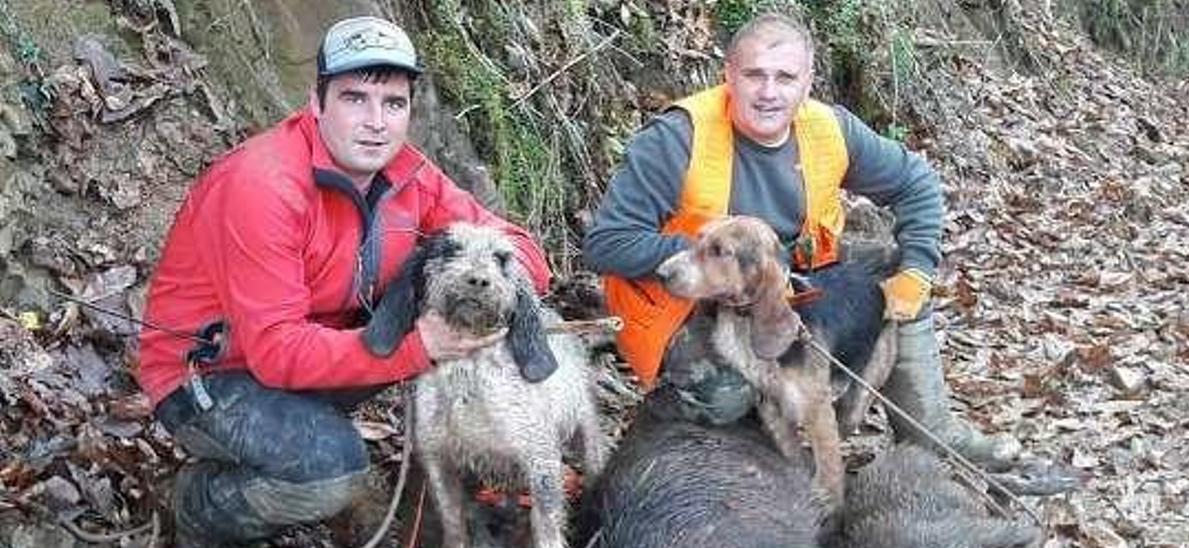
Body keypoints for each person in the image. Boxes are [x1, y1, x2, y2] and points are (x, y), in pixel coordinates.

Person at [136, 16, 552, 546]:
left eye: (393, 104)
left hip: (322, 357)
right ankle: (200, 505)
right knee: (332, 470)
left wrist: (495, 272)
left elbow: (521, 249)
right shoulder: (264, 186)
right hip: (210, 378)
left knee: (465, 299)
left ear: (409, 111)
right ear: (317, 101)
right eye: (355, 98)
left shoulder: (410, 174)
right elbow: (277, 351)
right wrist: (419, 345)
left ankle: (444, 516)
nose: (376, 122)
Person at [584, 13, 1011, 468]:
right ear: (728, 75)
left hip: (791, 282)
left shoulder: (830, 128)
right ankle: (730, 448)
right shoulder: (677, 137)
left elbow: (917, 182)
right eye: (754, 75)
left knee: (894, 272)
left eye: (785, 77)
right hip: (686, 306)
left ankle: (933, 434)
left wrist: (918, 269)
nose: (769, 92)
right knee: (721, 394)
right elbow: (607, 243)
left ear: (807, 82)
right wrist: (715, 265)